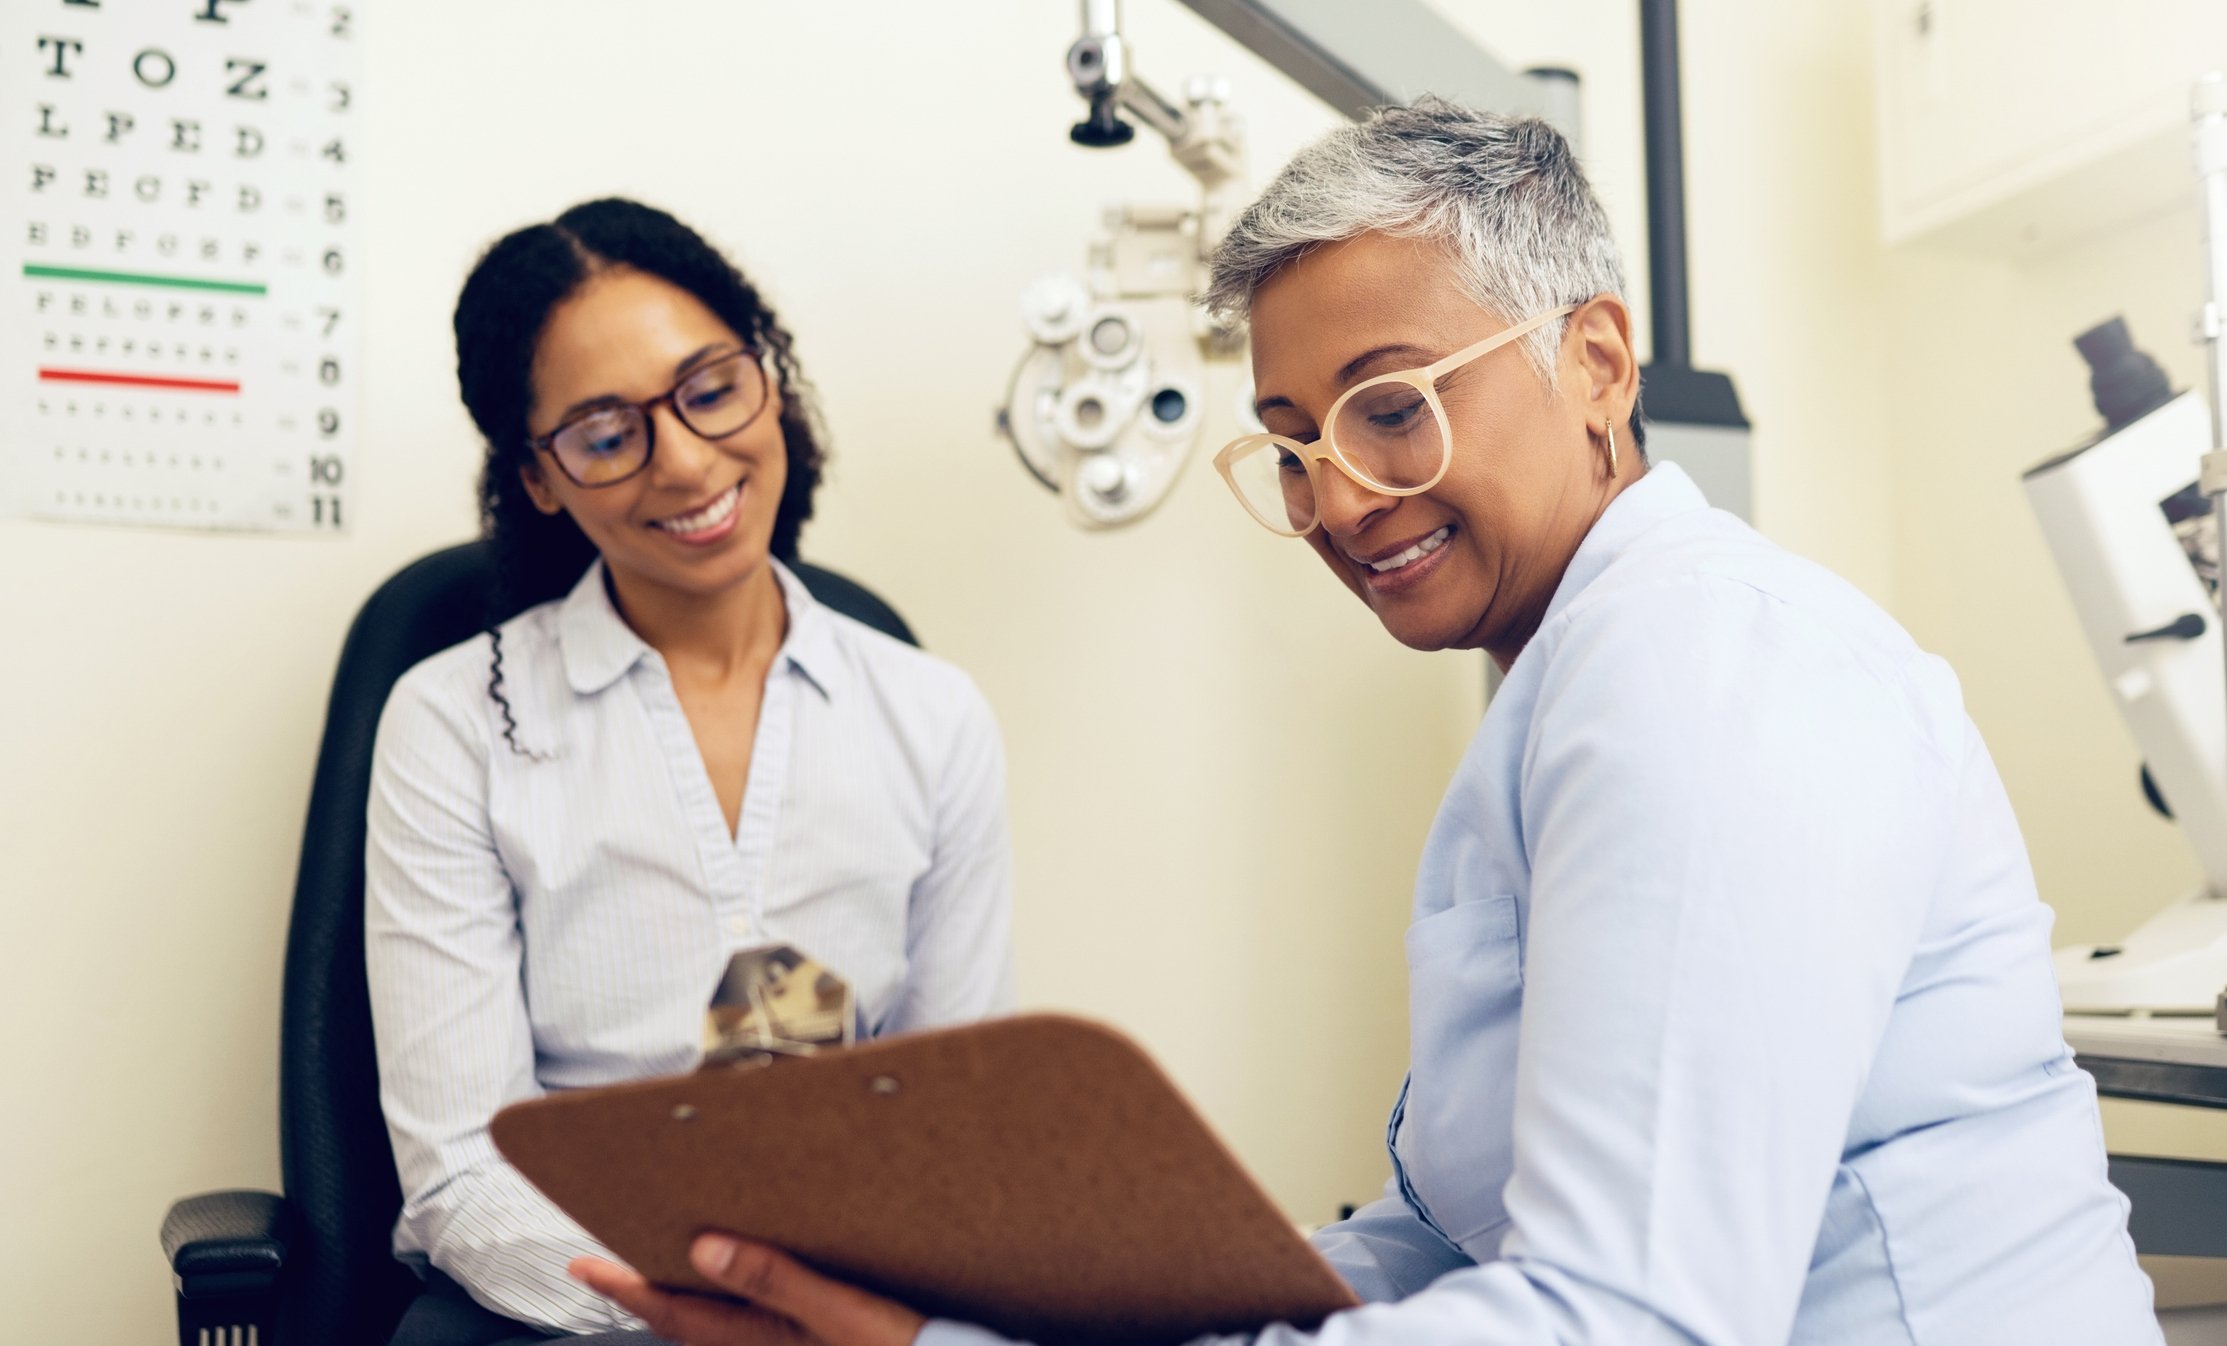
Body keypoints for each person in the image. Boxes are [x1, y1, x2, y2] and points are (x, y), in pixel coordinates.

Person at [572, 102, 2160, 1345]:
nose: (1334, 500)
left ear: (1594, 362)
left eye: (1389, 408)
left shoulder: (1699, 675)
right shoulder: (1570, 685)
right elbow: (1439, 1238)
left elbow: (1628, 1318)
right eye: (1290, 446)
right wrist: (1050, 1304)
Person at [366, 198, 1014, 1345]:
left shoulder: (934, 713)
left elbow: (954, 1121)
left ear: (771, 379)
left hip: (853, 1310)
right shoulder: (453, 721)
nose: (685, 461)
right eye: (605, 434)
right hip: (565, 1310)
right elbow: (462, 1166)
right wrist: (685, 1306)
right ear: (539, 477)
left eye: (709, 390)